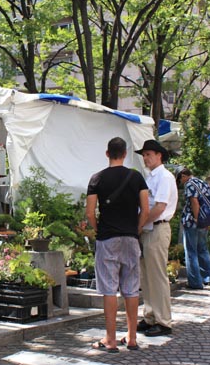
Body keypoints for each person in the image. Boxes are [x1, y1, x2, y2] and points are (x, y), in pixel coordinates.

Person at [86, 137, 149, 352]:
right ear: (124, 154)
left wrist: (97, 228)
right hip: (130, 237)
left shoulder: (97, 179)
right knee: (131, 289)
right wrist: (137, 229)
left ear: (107, 153)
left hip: (107, 238)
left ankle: (110, 340)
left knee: (109, 290)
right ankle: (131, 338)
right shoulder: (136, 177)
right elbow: (145, 209)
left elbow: (89, 212)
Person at [134, 139, 176, 337]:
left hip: (157, 228)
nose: (145, 158)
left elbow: (159, 207)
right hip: (148, 229)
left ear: (159, 155)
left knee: (157, 276)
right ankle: (150, 316)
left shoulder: (164, 177)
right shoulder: (150, 177)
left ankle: (163, 320)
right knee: (146, 275)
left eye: (148, 154)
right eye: (144, 155)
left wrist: (140, 224)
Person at [177, 168, 210, 289]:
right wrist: (206, 220)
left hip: (192, 222)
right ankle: (207, 278)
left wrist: (196, 218)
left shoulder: (189, 184)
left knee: (191, 251)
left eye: (179, 179)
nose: (180, 183)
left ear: (183, 175)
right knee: (203, 249)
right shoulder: (203, 183)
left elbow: (194, 202)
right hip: (205, 221)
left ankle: (195, 282)